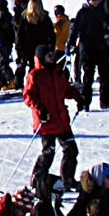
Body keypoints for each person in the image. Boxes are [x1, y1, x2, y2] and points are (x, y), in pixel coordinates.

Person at [24, 46, 78, 190]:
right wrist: (40, 108)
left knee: (71, 149)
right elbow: (28, 96)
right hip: (46, 121)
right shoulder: (35, 75)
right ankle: (37, 179)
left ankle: (68, 179)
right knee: (48, 152)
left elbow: (65, 89)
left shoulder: (57, 73)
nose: (51, 58)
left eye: (51, 55)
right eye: (48, 56)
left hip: (60, 120)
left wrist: (78, 96)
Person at [15, 0, 55, 88]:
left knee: (32, 68)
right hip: (41, 48)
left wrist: (19, 49)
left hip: (28, 48)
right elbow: (51, 34)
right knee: (41, 68)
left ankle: (31, 85)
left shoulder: (25, 17)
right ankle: (40, 85)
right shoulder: (45, 17)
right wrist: (52, 47)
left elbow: (19, 35)